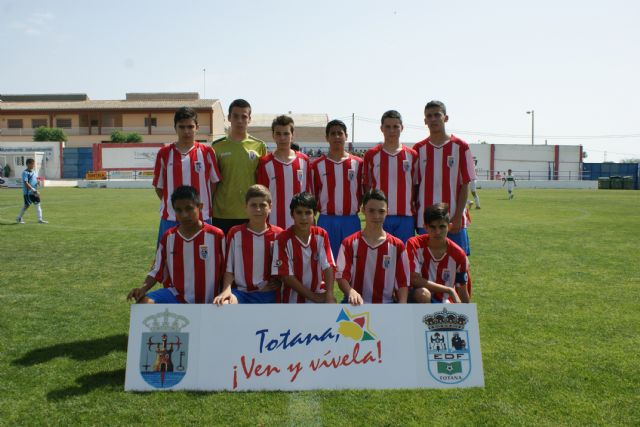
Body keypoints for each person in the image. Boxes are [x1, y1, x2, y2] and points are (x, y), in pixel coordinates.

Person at [127, 186, 226, 304]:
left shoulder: (216, 235)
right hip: (175, 296)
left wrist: (225, 291)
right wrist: (142, 288)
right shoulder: (168, 237)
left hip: (210, 297)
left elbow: (227, 270)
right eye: (179, 210)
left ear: (200, 207)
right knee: (144, 302)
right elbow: (156, 270)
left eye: (189, 208)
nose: (184, 215)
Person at [414, 100, 476, 255]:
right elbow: (415, 186)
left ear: (445, 118)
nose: (433, 119)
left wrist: (456, 216)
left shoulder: (461, 147)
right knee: (426, 264)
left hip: (453, 219)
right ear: (425, 120)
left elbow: (465, 184)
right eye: (429, 116)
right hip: (425, 220)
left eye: (437, 115)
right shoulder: (418, 149)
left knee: (458, 264)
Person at [153, 107, 221, 244]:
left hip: (202, 218)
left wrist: (202, 203)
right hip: (171, 218)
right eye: (182, 127)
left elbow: (214, 183)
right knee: (169, 261)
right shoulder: (164, 153)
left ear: (197, 127)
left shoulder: (207, 152)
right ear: (175, 128)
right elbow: (159, 187)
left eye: (190, 126)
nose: (186, 131)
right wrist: (175, 206)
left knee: (203, 260)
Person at [336, 189, 409, 305]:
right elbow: (341, 276)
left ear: (387, 212)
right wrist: (350, 291)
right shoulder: (349, 243)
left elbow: (402, 282)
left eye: (381, 211)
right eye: (371, 211)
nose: (376, 216)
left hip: (386, 305)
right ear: (363, 210)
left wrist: (403, 304)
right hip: (356, 306)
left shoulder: (397, 246)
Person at [214, 185, 283, 305]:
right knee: (224, 305)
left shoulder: (279, 234)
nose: (258, 209)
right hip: (241, 293)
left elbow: (284, 268)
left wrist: (280, 281)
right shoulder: (235, 233)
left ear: (270, 207)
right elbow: (229, 268)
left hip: (268, 293)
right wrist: (226, 290)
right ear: (245, 207)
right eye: (253, 205)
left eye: (262, 205)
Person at [211, 99, 267, 235]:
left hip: (250, 213)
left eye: (244, 116)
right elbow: (212, 182)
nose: (240, 120)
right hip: (222, 213)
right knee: (224, 255)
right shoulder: (216, 147)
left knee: (249, 255)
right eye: (235, 116)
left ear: (250, 119)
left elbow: (263, 182)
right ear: (229, 118)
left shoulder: (259, 146)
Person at [363, 110, 418, 243]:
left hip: (405, 216)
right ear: (381, 128)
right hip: (379, 216)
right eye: (387, 127)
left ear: (402, 128)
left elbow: (416, 185)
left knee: (404, 258)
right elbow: (367, 186)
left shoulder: (412, 155)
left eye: (395, 126)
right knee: (379, 256)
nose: (391, 130)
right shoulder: (371, 155)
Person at [311, 119, 364, 257]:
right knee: (327, 262)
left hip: (351, 219)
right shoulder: (317, 165)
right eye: (333, 133)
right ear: (327, 138)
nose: (337, 137)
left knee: (352, 261)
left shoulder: (358, 164)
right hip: (326, 219)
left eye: (340, 133)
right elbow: (314, 194)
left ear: (346, 136)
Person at [271, 192, 336, 304]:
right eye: (299, 212)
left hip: (319, 294)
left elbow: (328, 266)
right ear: (292, 214)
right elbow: (286, 277)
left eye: (308, 213)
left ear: (314, 214)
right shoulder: (282, 239)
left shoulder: (321, 234)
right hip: (291, 301)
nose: (303, 217)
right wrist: (314, 297)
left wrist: (329, 294)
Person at [406, 203, 471, 304]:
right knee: (423, 294)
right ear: (425, 227)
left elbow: (462, 291)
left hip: (445, 302)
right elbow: (414, 279)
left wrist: (468, 315)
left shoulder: (458, 254)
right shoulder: (414, 244)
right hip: (418, 299)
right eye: (433, 227)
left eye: (442, 227)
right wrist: (448, 289)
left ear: (449, 227)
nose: (437, 232)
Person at [256, 115, 312, 229]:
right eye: (278, 134)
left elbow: (309, 192)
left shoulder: (304, 160)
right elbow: (262, 196)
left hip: (300, 223)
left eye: (286, 134)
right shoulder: (265, 163)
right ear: (273, 135)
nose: (282, 138)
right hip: (273, 223)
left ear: (292, 135)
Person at [16, 158, 47, 224]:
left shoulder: (34, 172)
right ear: (28, 164)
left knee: (38, 204)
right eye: (32, 164)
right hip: (28, 193)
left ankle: (40, 220)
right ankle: (19, 218)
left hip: (34, 192)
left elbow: (35, 180)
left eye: (33, 164)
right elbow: (25, 183)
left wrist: (38, 182)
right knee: (26, 205)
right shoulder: (25, 172)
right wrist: (32, 189)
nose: (33, 165)